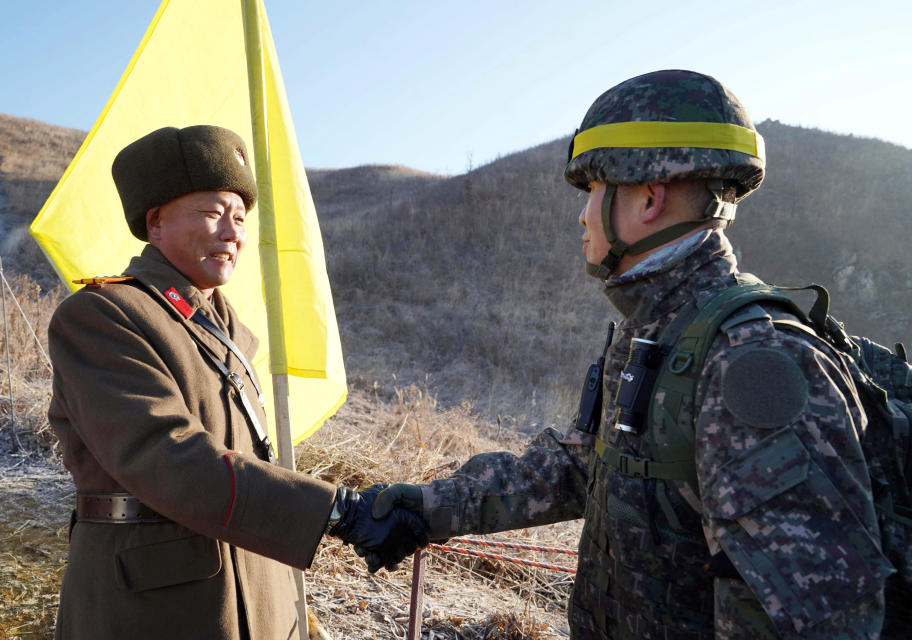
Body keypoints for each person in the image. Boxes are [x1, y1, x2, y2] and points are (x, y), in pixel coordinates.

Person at [370, 70, 895, 638]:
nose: (582, 214)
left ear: (648, 197)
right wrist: (427, 506)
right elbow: (582, 468)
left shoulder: (753, 361)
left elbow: (813, 621)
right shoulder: (660, 332)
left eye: (594, 191)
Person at [47, 125, 427, 639]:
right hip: (155, 607)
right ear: (155, 222)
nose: (233, 233)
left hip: (257, 590)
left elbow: (249, 464)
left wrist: (296, 615)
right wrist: (338, 512)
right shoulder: (102, 317)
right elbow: (169, 457)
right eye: (211, 212)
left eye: (240, 217)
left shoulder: (228, 332)